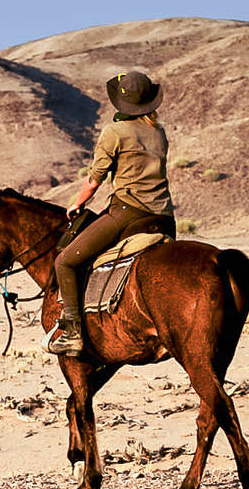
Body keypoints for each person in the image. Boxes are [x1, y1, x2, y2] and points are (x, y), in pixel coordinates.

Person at [49, 71, 177, 355]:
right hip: (164, 218)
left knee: (65, 262)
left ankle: (72, 332)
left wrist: (76, 203)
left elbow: (94, 179)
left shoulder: (114, 132)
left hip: (128, 212)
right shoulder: (159, 132)